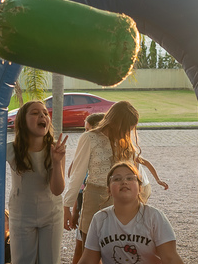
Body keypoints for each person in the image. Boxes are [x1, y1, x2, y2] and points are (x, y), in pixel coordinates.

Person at [63, 161, 198, 264]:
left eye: (130, 178)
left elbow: (170, 259)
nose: (124, 182)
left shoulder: (154, 217)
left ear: (140, 188)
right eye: (117, 179)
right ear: (108, 190)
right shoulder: (100, 219)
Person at [64, 101, 167, 248]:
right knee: (91, 248)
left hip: (121, 199)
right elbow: (77, 174)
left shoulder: (124, 141)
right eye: (127, 127)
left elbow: (133, 172)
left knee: (118, 248)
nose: (129, 132)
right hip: (95, 198)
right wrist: (67, 207)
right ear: (117, 123)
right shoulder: (89, 138)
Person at [7, 100, 68, 264]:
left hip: (51, 215)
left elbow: (57, 189)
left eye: (45, 113)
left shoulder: (55, 149)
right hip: (21, 215)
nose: (42, 116)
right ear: (22, 121)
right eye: (35, 113)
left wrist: (56, 162)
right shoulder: (10, 149)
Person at [68, 112, 106, 264]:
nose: (86, 134)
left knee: (93, 251)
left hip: (92, 206)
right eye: (85, 130)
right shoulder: (85, 153)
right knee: (79, 248)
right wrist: (75, 210)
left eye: (88, 130)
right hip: (83, 206)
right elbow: (75, 181)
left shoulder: (101, 160)